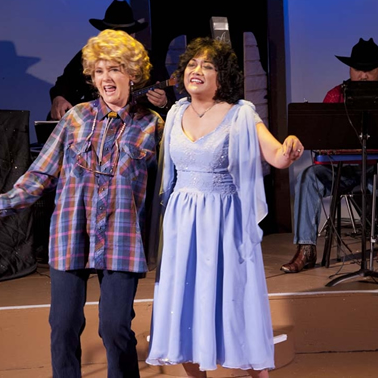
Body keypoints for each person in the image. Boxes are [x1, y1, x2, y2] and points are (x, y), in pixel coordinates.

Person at [0, 29, 163, 378]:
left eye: (115, 69)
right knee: (63, 326)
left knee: (115, 328)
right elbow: (41, 173)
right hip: (70, 234)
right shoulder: (76, 119)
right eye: (99, 71)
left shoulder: (151, 125)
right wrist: (0, 203)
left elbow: (170, 184)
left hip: (121, 240)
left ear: (132, 74)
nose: (106, 78)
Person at [146, 37, 304, 378]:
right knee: (185, 303)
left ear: (223, 76)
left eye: (207, 65)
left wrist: (289, 148)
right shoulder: (174, 114)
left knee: (233, 300)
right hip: (182, 221)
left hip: (223, 221)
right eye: (191, 64)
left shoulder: (240, 114)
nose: (196, 70)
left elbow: (276, 155)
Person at [281, 38, 378, 272]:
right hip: (343, 168)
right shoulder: (335, 96)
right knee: (307, 177)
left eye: (369, 70)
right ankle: (306, 250)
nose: (363, 76)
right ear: (350, 69)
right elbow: (323, 143)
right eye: (357, 70)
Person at [49, 0, 173, 121]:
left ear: (132, 35)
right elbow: (65, 81)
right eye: (99, 71)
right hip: (91, 121)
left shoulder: (149, 60)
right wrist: (59, 98)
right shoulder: (91, 54)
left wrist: (163, 103)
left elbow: (170, 101)